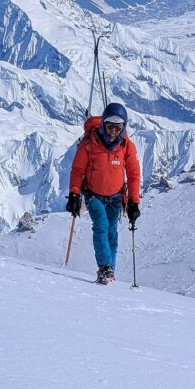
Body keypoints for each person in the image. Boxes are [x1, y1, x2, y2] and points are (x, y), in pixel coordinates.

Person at [66, 102, 141, 284]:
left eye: (118, 127)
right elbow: (77, 170)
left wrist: (133, 202)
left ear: (123, 128)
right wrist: (75, 194)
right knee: (100, 225)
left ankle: (109, 272)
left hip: (116, 197)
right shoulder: (88, 144)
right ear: (102, 125)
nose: (113, 131)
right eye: (110, 126)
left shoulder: (126, 147)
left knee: (112, 233)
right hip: (93, 195)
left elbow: (133, 175)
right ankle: (105, 267)